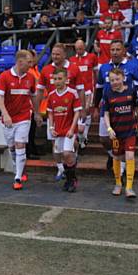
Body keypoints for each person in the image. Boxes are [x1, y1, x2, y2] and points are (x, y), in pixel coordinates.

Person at [94, 40, 138, 171]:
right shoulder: (104, 68)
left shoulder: (132, 66)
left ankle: (122, 168)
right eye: (112, 49)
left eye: (118, 49)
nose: (115, 52)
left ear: (123, 51)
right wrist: (95, 107)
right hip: (107, 109)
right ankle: (113, 155)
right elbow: (99, 89)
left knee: (124, 138)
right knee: (103, 139)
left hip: (125, 110)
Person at [36, 44, 84, 180]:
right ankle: (61, 169)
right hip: (54, 113)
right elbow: (39, 91)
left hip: (71, 113)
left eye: (57, 54)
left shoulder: (74, 68)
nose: (54, 56)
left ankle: (71, 166)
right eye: (53, 54)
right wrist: (38, 112)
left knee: (72, 144)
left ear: (64, 55)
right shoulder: (46, 70)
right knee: (55, 144)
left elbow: (80, 90)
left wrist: (83, 111)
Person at [0, 50, 36, 190]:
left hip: (24, 116)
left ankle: (17, 178)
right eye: (29, 62)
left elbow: (34, 95)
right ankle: (20, 167)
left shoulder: (31, 77)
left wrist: (36, 113)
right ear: (20, 62)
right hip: (9, 119)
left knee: (20, 145)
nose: (31, 64)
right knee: (12, 147)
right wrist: (5, 114)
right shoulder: (5, 76)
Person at [103, 68, 138, 198]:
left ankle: (129, 187)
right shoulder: (108, 94)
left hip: (130, 131)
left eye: (117, 79)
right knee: (117, 157)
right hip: (116, 133)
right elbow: (105, 114)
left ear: (123, 78)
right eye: (112, 80)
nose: (115, 82)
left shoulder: (131, 91)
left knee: (129, 156)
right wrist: (109, 128)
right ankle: (118, 183)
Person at [47, 67, 82, 192]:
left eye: (60, 78)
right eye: (55, 79)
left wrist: (72, 129)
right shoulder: (51, 95)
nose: (57, 81)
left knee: (67, 153)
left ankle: (72, 180)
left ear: (66, 79)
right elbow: (50, 113)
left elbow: (77, 112)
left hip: (69, 130)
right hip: (58, 130)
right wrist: (51, 127)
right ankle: (69, 177)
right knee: (59, 155)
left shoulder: (72, 93)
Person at [69, 39, 98, 149]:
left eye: (80, 48)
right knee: (78, 113)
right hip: (76, 90)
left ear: (84, 47)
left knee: (86, 111)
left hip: (88, 89)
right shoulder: (72, 60)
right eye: (77, 49)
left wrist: (96, 86)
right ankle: (82, 137)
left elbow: (96, 73)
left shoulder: (92, 57)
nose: (79, 51)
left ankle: (83, 134)